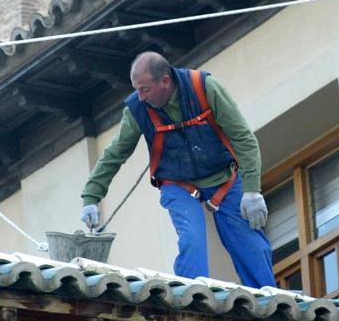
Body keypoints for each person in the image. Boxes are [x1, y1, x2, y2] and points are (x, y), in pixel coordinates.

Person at [80, 51, 276, 288]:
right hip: (177, 184)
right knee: (191, 241)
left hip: (223, 178)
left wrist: (252, 191)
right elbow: (115, 153)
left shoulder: (204, 88)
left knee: (251, 245)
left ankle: (268, 303)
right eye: (137, 90)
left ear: (164, 80)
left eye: (145, 89)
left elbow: (243, 138)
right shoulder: (137, 110)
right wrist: (92, 196)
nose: (140, 97)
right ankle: (191, 298)